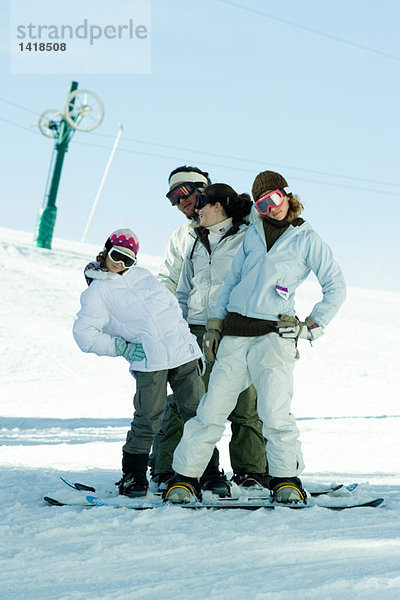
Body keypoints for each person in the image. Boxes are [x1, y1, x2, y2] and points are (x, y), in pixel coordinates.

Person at [164, 171, 346, 505]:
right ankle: (185, 479)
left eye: (274, 199)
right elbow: (233, 280)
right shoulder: (253, 232)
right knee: (211, 411)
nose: (270, 208)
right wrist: (216, 324)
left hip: (273, 337)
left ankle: (286, 479)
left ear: (287, 196)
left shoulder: (307, 239)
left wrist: (311, 326)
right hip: (234, 334)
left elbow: (336, 287)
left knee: (275, 414)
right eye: (261, 204)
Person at [151, 166, 267, 493]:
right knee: (187, 402)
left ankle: (252, 470)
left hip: (238, 326)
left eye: (184, 193)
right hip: (194, 327)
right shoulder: (184, 237)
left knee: (246, 402)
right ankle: (174, 467)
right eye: (173, 198)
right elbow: (172, 282)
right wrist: (167, 323)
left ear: (205, 192)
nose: (180, 202)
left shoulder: (247, 227)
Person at [72, 228, 205, 498]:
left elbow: (172, 313)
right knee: (148, 417)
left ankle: (207, 472)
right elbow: (84, 335)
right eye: (116, 255)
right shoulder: (97, 290)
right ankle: (133, 476)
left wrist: (194, 349)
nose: (120, 264)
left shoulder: (144, 277)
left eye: (128, 260)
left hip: (183, 355)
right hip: (149, 361)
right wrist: (120, 347)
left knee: (197, 415)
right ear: (106, 250)